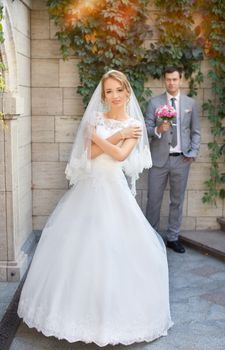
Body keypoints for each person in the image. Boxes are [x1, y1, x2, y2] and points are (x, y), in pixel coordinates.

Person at [18, 70, 173, 346]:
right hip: (88, 190)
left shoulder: (135, 126)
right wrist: (111, 137)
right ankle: (73, 317)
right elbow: (88, 154)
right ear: (104, 95)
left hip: (114, 190)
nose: (113, 96)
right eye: (108, 91)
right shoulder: (97, 119)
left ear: (127, 92)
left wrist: (104, 138)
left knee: (114, 252)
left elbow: (120, 155)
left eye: (117, 90)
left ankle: (114, 319)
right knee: (77, 253)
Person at [145, 66, 201, 254]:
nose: (171, 82)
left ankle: (173, 237)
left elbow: (196, 132)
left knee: (177, 200)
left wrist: (192, 152)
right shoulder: (154, 103)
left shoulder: (190, 103)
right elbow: (146, 130)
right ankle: (150, 237)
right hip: (158, 160)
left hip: (181, 160)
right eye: (168, 79)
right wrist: (158, 130)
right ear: (164, 80)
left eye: (175, 79)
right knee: (153, 200)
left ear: (181, 80)